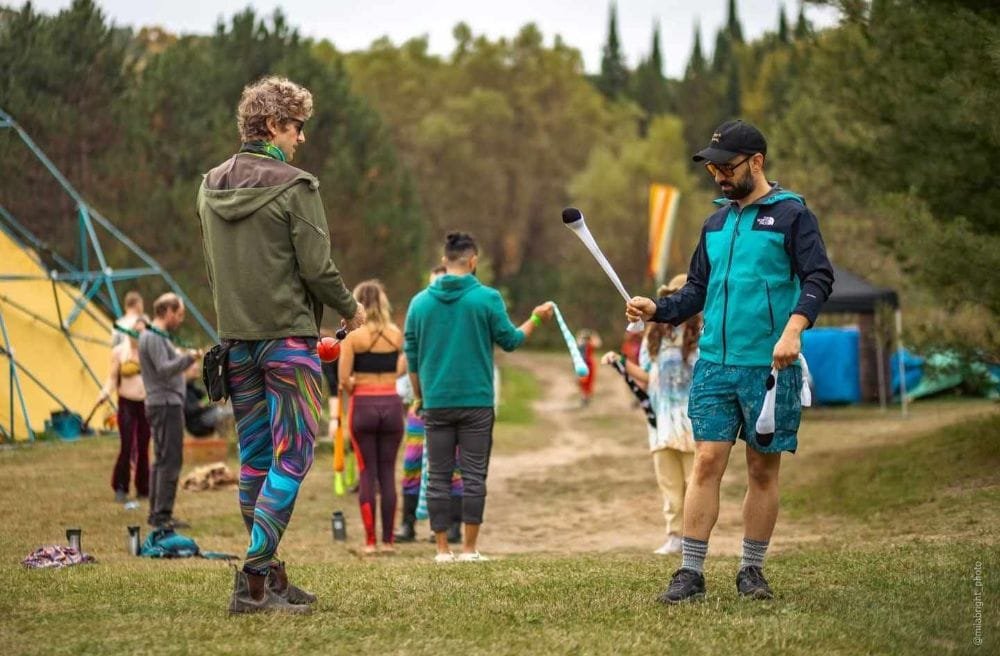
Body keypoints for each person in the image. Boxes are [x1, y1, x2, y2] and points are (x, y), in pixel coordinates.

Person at [626, 120, 834, 603]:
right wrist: (658, 309)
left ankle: (751, 570)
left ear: (756, 162)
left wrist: (793, 330)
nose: (719, 175)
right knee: (705, 461)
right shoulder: (715, 224)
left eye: (727, 166)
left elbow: (818, 278)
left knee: (762, 469)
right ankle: (690, 572)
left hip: (769, 367)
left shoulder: (792, 215)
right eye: (713, 169)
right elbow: (697, 290)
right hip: (714, 366)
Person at [198, 76, 365, 614]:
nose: (301, 138)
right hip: (289, 345)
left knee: (253, 461)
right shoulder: (298, 187)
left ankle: (269, 577)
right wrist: (350, 308)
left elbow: (213, 270)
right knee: (291, 457)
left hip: (235, 342)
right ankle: (252, 579)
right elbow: (317, 268)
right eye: (296, 127)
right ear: (272, 125)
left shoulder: (209, 186)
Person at [404, 232, 554, 563]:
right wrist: (535, 318)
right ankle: (469, 549)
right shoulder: (487, 298)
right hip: (477, 401)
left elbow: (411, 357)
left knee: (438, 475)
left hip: (436, 401)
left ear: (444, 261)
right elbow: (511, 341)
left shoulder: (419, 304)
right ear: (473, 262)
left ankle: (442, 549)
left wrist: (419, 396)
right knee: (473, 475)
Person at [602, 275, 700, 555]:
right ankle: (674, 536)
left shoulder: (703, 336)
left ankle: (695, 538)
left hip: (692, 422)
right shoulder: (653, 337)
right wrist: (621, 363)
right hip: (661, 421)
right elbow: (648, 376)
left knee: (695, 482)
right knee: (669, 484)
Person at [395, 265, 464, 545]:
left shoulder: (458, 325)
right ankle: (408, 524)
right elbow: (404, 362)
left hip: (451, 404)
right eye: (432, 285)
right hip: (420, 406)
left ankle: (453, 527)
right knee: (412, 462)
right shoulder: (420, 316)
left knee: (453, 465)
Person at [338, 280, 407, 555]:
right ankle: (389, 541)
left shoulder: (353, 337)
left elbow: (343, 378)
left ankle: (370, 542)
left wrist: (356, 384)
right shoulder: (395, 334)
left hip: (363, 406)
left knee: (367, 472)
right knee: (388, 473)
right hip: (391, 404)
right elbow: (402, 367)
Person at [139, 294, 199, 531]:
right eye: (179, 314)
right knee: (171, 460)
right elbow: (164, 369)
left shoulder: (154, 335)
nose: (180, 319)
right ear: (168, 312)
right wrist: (188, 358)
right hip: (165, 404)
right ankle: (162, 515)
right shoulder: (154, 336)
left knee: (162, 459)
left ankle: (156, 513)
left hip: (162, 403)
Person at [98, 317, 150, 503]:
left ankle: (144, 487)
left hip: (146, 404)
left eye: (142, 332)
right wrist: (105, 393)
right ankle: (120, 487)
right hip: (127, 403)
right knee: (126, 445)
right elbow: (112, 378)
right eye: (135, 331)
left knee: (143, 446)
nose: (138, 335)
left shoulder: (151, 352)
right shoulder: (119, 352)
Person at [575, 329, 602, 407]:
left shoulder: (590, 343)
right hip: (583, 364)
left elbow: (598, 343)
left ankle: (586, 397)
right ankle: (584, 397)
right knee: (582, 382)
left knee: (589, 382)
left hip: (590, 364)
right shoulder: (581, 344)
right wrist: (582, 335)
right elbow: (577, 342)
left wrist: (593, 335)